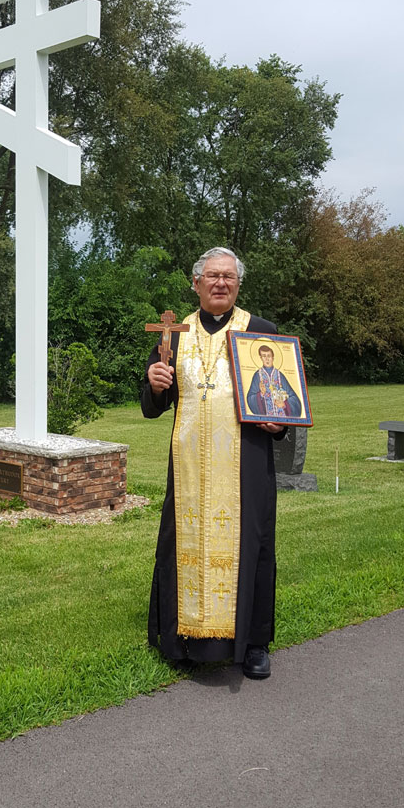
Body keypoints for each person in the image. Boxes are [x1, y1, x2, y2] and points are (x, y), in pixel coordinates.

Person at [141, 247, 286, 680]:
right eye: (212, 276)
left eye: (229, 277)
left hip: (247, 465)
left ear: (238, 284)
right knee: (182, 545)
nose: (220, 283)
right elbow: (152, 406)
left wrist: (277, 425)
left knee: (254, 543)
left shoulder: (260, 331)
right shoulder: (174, 333)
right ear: (196, 282)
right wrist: (154, 383)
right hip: (188, 467)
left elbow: (284, 406)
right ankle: (180, 638)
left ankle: (255, 643)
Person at [246, 345, 302, 418]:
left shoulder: (279, 375)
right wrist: (261, 394)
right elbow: (250, 398)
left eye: (269, 356)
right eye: (264, 356)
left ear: (273, 357)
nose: (267, 359)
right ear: (261, 358)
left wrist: (284, 404)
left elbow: (294, 398)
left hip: (282, 417)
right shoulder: (257, 376)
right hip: (265, 418)